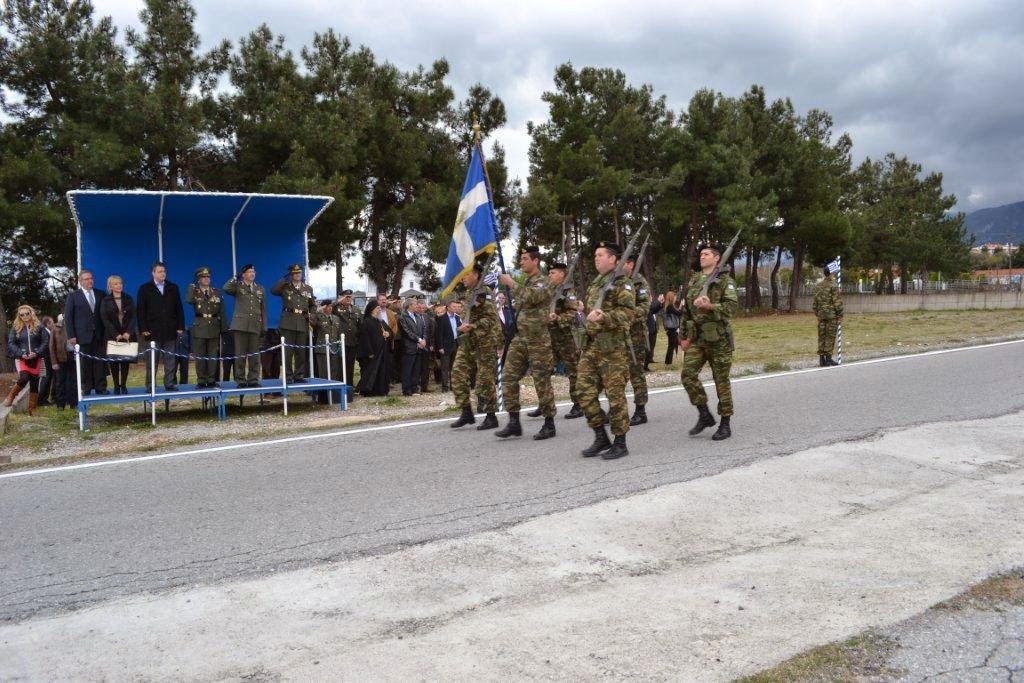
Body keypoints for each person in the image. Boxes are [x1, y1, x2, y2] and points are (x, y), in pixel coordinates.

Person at [577, 241, 635, 459]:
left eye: (600, 255)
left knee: (615, 397)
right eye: (595, 255)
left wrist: (606, 317)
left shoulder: (623, 283)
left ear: (613, 259)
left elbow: (629, 313)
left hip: (613, 350)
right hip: (592, 348)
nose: (596, 258)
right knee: (583, 391)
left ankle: (620, 442)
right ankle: (601, 435)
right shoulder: (596, 283)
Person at [679, 244, 739, 441]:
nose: (702, 256)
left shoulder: (725, 281)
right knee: (687, 376)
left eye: (706, 254)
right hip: (697, 339)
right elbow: (687, 310)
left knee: (721, 381)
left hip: (719, 339)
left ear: (717, 258)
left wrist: (710, 306)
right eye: (701, 254)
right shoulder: (695, 280)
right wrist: (683, 337)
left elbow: (731, 308)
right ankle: (704, 414)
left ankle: (725, 423)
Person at [496, 246, 557, 440]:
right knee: (507, 377)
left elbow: (533, 297)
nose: (521, 262)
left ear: (535, 261)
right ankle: (514, 422)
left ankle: (549, 423)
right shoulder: (528, 281)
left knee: (541, 381)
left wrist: (511, 283)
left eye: (524, 259)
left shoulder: (544, 281)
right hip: (521, 338)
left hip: (538, 339)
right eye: (520, 259)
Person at [449, 264, 501, 430]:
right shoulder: (469, 293)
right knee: (457, 373)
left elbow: (491, 319)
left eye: (465, 275)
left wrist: (472, 326)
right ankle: (466, 412)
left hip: (485, 342)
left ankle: (491, 416)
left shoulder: (485, 293)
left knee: (485, 379)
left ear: (476, 275)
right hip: (468, 342)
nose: (462, 278)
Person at [136, 261, 185, 391]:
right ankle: (150, 385)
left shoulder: (173, 287)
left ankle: (169, 384)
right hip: (152, 330)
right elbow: (140, 310)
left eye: (164, 271)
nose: (163, 274)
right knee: (152, 360)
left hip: (170, 329)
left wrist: (180, 326)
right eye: (159, 271)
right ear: (153, 273)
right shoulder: (145, 288)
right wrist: (143, 328)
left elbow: (179, 308)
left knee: (170, 359)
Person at [544, 261, 583, 419]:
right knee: (544, 370)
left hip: (566, 337)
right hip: (550, 336)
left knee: (573, 371)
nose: (549, 275)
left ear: (562, 274)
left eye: (553, 273)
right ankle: (545, 404)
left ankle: (578, 404)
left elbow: (573, 313)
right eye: (549, 273)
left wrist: (557, 319)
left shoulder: (568, 291)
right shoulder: (548, 290)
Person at [62, 268, 108, 396]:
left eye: (91, 278)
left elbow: (104, 315)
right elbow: (68, 317)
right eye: (87, 279)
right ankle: (86, 387)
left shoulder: (100, 294)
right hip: (82, 336)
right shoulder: (73, 296)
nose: (90, 281)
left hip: (99, 334)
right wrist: (71, 335)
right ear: (80, 281)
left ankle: (101, 387)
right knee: (84, 363)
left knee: (100, 361)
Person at [271, 264, 317, 384]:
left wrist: (312, 315)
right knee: (288, 351)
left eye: (299, 273)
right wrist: (284, 279)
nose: (298, 275)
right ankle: (288, 376)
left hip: (302, 321)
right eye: (295, 273)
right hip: (288, 322)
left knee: (300, 352)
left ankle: (299, 375)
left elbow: (313, 304)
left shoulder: (308, 288)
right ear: (291, 275)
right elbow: (273, 290)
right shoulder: (285, 287)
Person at [223, 264, 267, 387]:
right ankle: (240, 380)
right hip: (240, 325)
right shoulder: (238, 286)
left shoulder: (260, 289)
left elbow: (263, 309)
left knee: (254, 355)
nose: (252, 273)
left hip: (255, 325)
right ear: (244, 275)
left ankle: (253, 379)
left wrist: (264, 326)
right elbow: (226, 288)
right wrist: (235, 278)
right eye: (249, 272)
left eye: (253, 271)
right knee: (240, 355)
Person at [5, 305, 50, 416]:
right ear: (19, 316)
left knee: (35, 383)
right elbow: (11, 343)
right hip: (22, 358)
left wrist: (37, 352)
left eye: (27, 313)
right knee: (24, 378)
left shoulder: (39, 327)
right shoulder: (16, 327)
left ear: (31, 313)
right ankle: (11, 396)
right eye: (22, 314)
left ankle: (32, 409)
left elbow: (45, 341)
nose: (25, 316)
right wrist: (21, 353)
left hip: (36, 358)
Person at [186, 266, 227, 388]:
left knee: (213, 355)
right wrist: (192, 287)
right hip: (200, 326)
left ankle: (211, 379)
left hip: (214, 326)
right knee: (200, 355)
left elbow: (222, 311)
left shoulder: (216, 292)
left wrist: (223, 328)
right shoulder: (195, 291)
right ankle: (201, 380)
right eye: (203, 277)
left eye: (208, 277)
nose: (207, 279)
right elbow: (188, 300)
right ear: (198, 279)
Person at [622, 254, 651, 426]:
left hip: (636, 334)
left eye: (622, 262)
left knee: (636, 371)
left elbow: (645, 307)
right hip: (618, 334)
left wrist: (627, 316)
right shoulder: (617, 281)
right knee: (617, 373)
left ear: (631, 264)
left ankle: (641, 410)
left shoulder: (639, 282)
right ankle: (616, 409)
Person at [99, 274, 136, 394]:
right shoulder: (105, 300)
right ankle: (116, 386)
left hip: (127, 335)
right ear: (110, 286)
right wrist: (115, 334)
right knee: (114, 362)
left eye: (120, 283)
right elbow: (105, 319)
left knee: (125, 361)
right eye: (115, 284)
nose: (119, 285)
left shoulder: (128, 298)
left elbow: (133, 317)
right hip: (112, 336)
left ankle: (123, 385)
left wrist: (128, 332)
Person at [356, 300, 392, 396]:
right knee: (370, 372)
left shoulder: (380, 321)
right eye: (377, 308)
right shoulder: (366, 322)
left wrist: (388, 333)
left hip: (381, 351)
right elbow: (364, 339)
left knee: (381, 371)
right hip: (371, 352)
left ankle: (381, 390)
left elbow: (390, 331)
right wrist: (369, 352)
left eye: (380, 308)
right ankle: (369, 391)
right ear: (372, 310)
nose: (379, 310)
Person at [312, 298, 342, 404]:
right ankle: (323, 398)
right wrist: (318, 310)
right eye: (327, 306)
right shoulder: (319, 317)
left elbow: (338, 333)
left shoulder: (336, 318)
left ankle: (333, 396)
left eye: (331, 306)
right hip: (322, 349)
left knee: (334, 372)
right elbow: (311, 321)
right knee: (323, 373)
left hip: (334, 349)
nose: (329, 308)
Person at [813, 264, 844, 366]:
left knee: (821, 336)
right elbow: (837, 302)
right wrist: (840, 314)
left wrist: (817, 313)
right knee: (830, 336)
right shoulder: (834, 285)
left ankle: (822, 360)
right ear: (831, 273)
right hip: (831, 315)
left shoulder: (818, 285)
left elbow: (815, 302)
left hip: (821, 315)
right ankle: (828, 358)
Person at [398, 298, 428, 396]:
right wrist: (419, 340)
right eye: (415, 304)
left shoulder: (418, 316)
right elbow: (406, 332)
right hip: (408, 348)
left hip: (419, 347)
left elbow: (424, 329)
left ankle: (414, 388)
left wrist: (423, 340)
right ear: (409, 306)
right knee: (408, 370)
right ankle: (407, 390)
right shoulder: (403, 317)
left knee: (416, 369)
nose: (417, 306)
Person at [335, 290, 360, 392]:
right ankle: (341, 384)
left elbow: (359, 323)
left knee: (350, 365)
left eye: (350, 297)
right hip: (342, 341)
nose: (349, 299)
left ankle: (349, 385)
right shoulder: (337, 308)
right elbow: (329, 307)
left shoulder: (355, 309)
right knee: (341, 365)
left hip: (353, 341)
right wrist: (339, 301)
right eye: (346, 297)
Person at [435, 299, 461, 391]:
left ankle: (453, 385)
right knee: (445, 367)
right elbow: (439, 334)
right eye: (453, 306)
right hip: (445, 346)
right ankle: (445, 386)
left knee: (454, 367)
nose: (455, 308)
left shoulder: (457, 318)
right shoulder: (442, 318)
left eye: (456, 306)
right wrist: (440, 347)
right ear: (448, 307)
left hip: (456, 344)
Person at [48, 314, 70, 409]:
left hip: (73, 358)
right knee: (60, 382)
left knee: (73, 381)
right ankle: (60, 404)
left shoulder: (75, 326)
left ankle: (73, 403)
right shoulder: (56, 328)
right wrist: (54, 362)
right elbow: (51, 346)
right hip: (60, 359)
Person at [36, 316, 56, 407]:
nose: (53, 324)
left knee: (48, 379)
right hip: (45, 358)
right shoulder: (44, 332)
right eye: (52, 322)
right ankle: (41, 400)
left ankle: (45, 399)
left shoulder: (48, 332)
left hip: (49, 358)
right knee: (46, 379)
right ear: (47, 324)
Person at [662, 291, 681, 364]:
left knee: (672, 345)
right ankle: (668, 362)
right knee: (671, 346)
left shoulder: (671, 306)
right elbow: (679, 313)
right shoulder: (670, 306)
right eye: (675, 297)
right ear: (671, 298)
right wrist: (682, 305)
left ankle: (669, 361)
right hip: (671, 329)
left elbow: (677, 312)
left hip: (672, 329)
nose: (676, 299)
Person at [647, 293, 663, 370]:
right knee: (648, 346)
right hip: (648, 329)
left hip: (654, 328)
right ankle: (646, 362)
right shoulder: (647, 306)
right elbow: (652, 309)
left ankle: (650, 358)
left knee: (652, 345)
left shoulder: (652, 305)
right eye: (649, 296)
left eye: (651, 296)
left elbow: (656, 310)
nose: (651, 298)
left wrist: (660, 303)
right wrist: (658, 301)